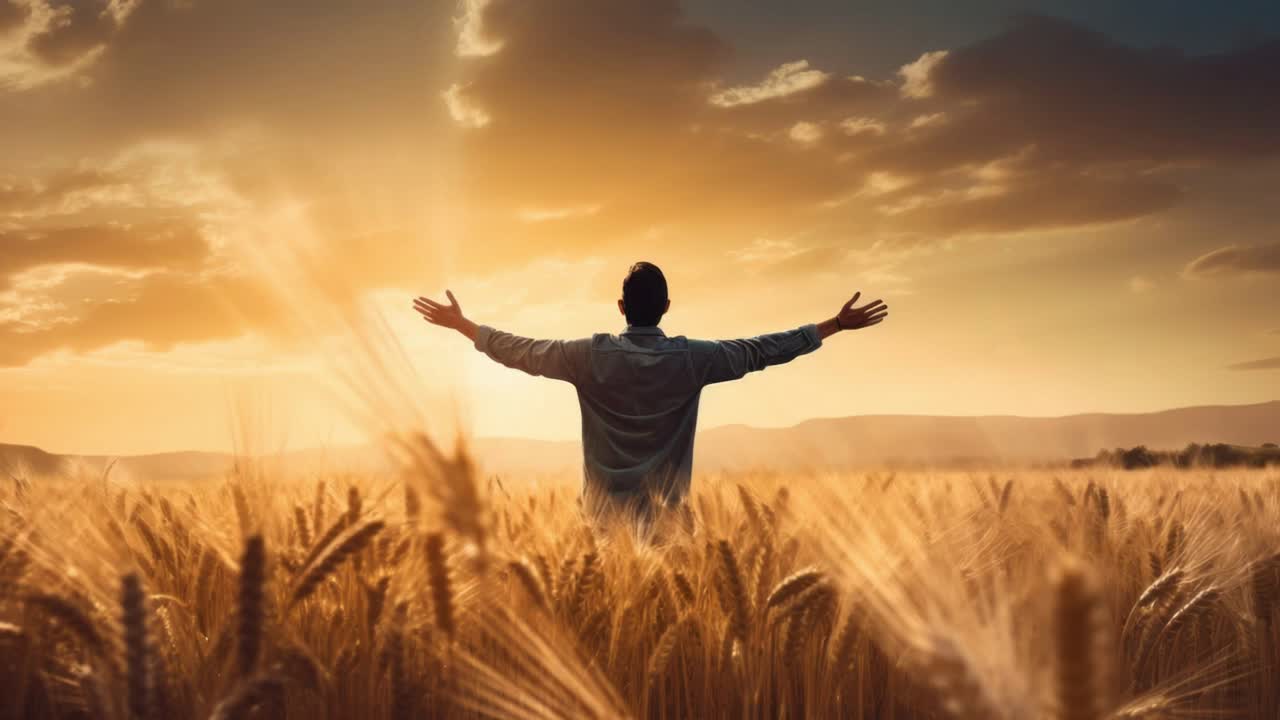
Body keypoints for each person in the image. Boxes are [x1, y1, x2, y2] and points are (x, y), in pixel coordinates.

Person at [413, 261, 888, 523]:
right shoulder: (694, 359)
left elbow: (522, 351)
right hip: (669, 524)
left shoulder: (587, 356)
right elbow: (760, 350)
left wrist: (463, 326)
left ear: (620, 307)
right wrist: (835, 325)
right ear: (666, 307)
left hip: (601, 523)